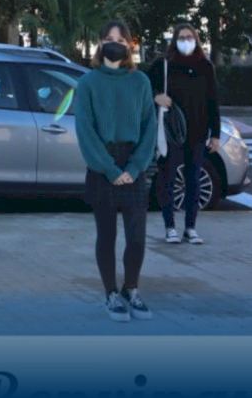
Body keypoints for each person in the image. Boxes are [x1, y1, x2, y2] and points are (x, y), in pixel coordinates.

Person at [74, 21, 158, 322]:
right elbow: (85, 130)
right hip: (102, 165)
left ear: (130, 45)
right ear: (100, 43)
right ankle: (110, 293)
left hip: (133, 163)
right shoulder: (88, 83)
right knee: (106, 235)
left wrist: (135, 167)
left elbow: (149, 127)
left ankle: (130, 288)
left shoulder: (140, 82)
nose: (115, 44)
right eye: (109, 39)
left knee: (137, 237)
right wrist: (109, 169)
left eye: (121, 40)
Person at [146, 23, 220, 245]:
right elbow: (144, 87)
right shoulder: (163, 65)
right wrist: (156, 97)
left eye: (190, 37)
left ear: (196, 40)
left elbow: (213, 101)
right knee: (167, 178)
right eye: (182, 37)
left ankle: (190, 227)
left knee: (193, 180)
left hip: (198, 132)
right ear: (174, 40)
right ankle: (170, 227)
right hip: (171, 132)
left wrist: (215, 134)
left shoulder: (205, 66)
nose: (186, 41)